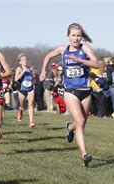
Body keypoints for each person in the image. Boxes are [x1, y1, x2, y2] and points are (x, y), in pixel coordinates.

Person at [40, 23, 99, 166]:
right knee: (80, 122)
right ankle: (84, 154)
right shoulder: (63, 49)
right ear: (68, 36)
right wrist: (43, 70)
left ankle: (69, 128)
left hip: (85, 91)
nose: (76, 38)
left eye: (79, 35)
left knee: (81, 123)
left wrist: (82, 60)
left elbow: (96, 64)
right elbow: (48, 56)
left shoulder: (84, 48)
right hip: (70, 92)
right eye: (73, 35)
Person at [15, 53, 36, 127]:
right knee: (22, 107)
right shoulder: (19, 69)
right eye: (23, 60)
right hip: (22, 90)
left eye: (26, 59)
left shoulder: (30, 69)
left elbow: (33, 79)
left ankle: (31, 121)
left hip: (30, 89)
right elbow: (16, 79)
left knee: (31, 104)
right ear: (20, 62)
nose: (25, 61)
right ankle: (20, 112)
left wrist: (33, 83)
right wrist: (23, 72)